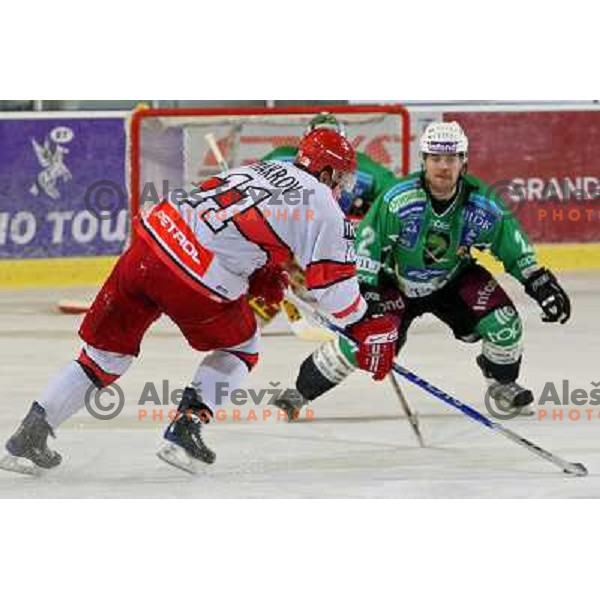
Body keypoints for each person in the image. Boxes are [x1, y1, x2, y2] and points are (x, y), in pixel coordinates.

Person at [1, 128, 400, 476]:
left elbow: (238, 225)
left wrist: (262, 265)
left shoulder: (253, 170)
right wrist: (365, 325)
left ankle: (29, 434)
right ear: (327, 171)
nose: (343, 190)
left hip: (147, 247)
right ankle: (185, 431)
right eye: (342, 179)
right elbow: (335, 294)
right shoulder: (323, 202)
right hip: (194, 276)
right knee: (242, 346)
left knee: (103, 356)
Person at [275, 121, 571, 420]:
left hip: (453, 278)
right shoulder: (397, 199)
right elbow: (367, 248)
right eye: (436, 158)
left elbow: (514, 248)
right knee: (364, 340)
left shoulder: (483, 202)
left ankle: (502, 385)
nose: (443, 166)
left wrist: (539, 281)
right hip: (396, 281)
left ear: (463, 161)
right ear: (424, 161)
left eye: (451, 158)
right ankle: (300, 392)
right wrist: (368, 291)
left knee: (505, 325)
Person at [250, 112, 397, 331]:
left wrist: (361, 223)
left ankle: (367, 307)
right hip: (295, 234)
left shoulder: (366, 170)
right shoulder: (281, 159)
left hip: (338, 235)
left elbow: (392, 206)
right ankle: (254, 314)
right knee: (273, 265)